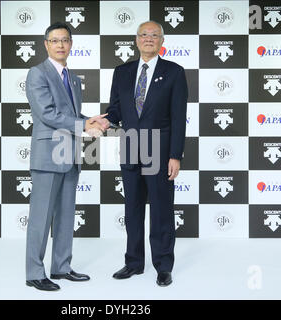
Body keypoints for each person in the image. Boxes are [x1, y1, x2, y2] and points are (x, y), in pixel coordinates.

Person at [103, 21, 188, 286]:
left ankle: (163, 265)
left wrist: (175, 155)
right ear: (136, 40)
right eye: (144, 35)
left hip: (160, 152)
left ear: (162, 41)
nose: (148, 38)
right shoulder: (122, 72)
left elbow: (178, 116)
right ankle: (133, 263)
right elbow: (116, 109)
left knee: (162, 209)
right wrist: (103, 121)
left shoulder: (174, 72)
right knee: (132, 209)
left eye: (154, 35)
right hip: (130, 147)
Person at [25, 22, 107, 291]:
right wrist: (83, 126)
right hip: (48, 155)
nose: (60, 45)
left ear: (71, 44)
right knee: (41, 217)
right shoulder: (37, 74)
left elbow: (68, 116)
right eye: (55, 40)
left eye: (65, 40)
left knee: (65, 216)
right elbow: (47, 114)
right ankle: (34, 273)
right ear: (46, 44)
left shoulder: (72, 78)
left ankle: (61, 267)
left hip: (70, 153)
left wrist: (89, 120)